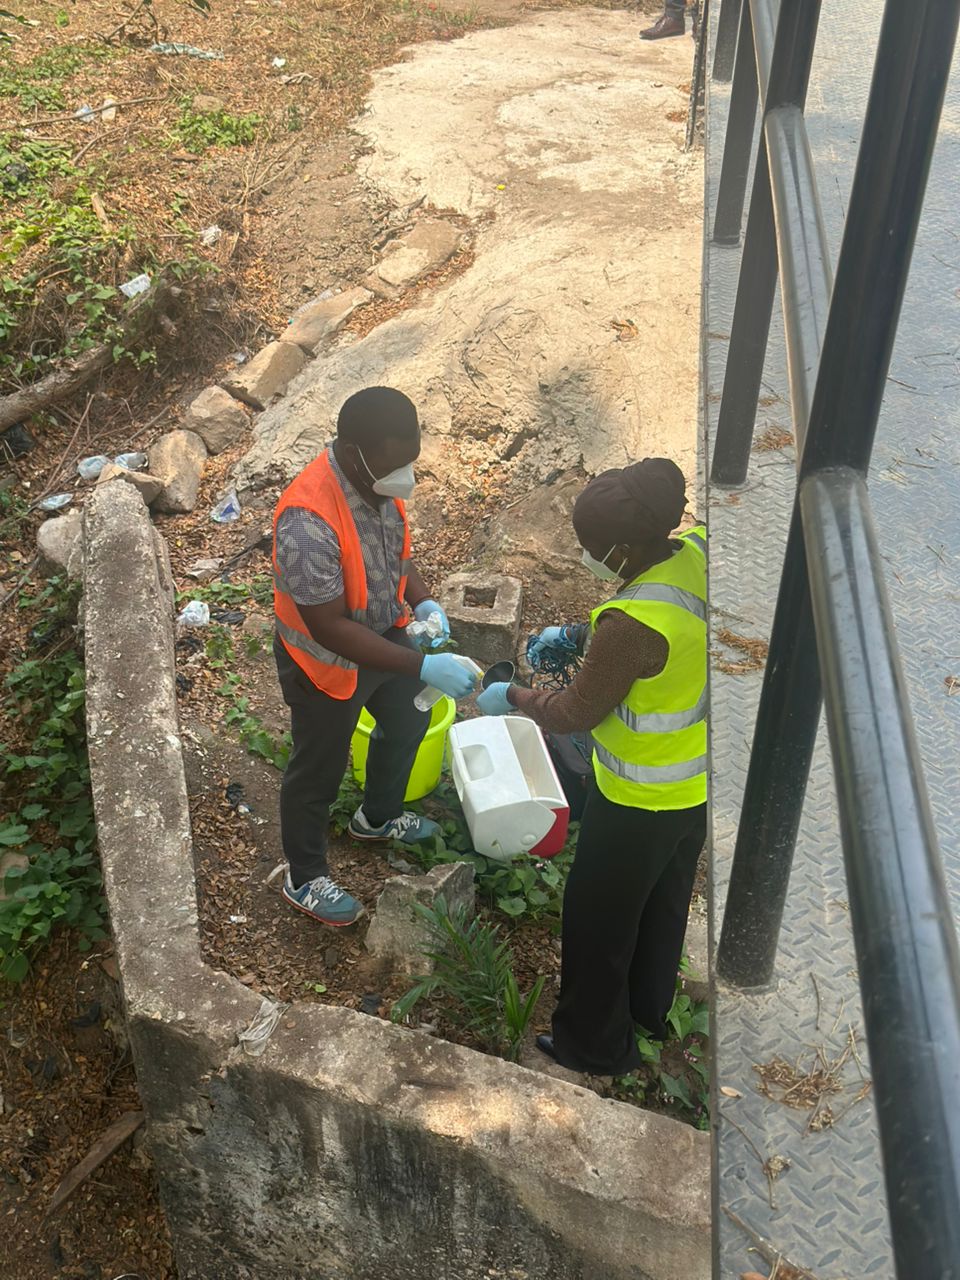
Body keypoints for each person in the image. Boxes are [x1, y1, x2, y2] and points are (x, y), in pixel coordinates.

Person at [477, 458, 706, 1076]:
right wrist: (581, 635)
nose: (588, 559)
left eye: (593, 550)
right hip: (695, 785)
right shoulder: (696, 549)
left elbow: (577, 710)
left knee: (599, 919)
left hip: (638, 798)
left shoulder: (630, 626)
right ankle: (647, 1011)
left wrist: (513, 696)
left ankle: (593, 1047)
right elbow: (666, 638)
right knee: (662, 902)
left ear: (624, 550)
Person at [272, 386, 478, 927]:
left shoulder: (377, 480)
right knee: (319, 767)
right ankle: (304, 875)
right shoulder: (307, 519)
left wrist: (424, 601)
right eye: (394, 465)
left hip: (383, 633)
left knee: (410, 718)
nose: (404, 476)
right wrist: (421, 664)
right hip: (324, 660)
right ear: (353, 451)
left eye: (410, 460)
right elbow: (328, 625)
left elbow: (398, 556)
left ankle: (377, 817)